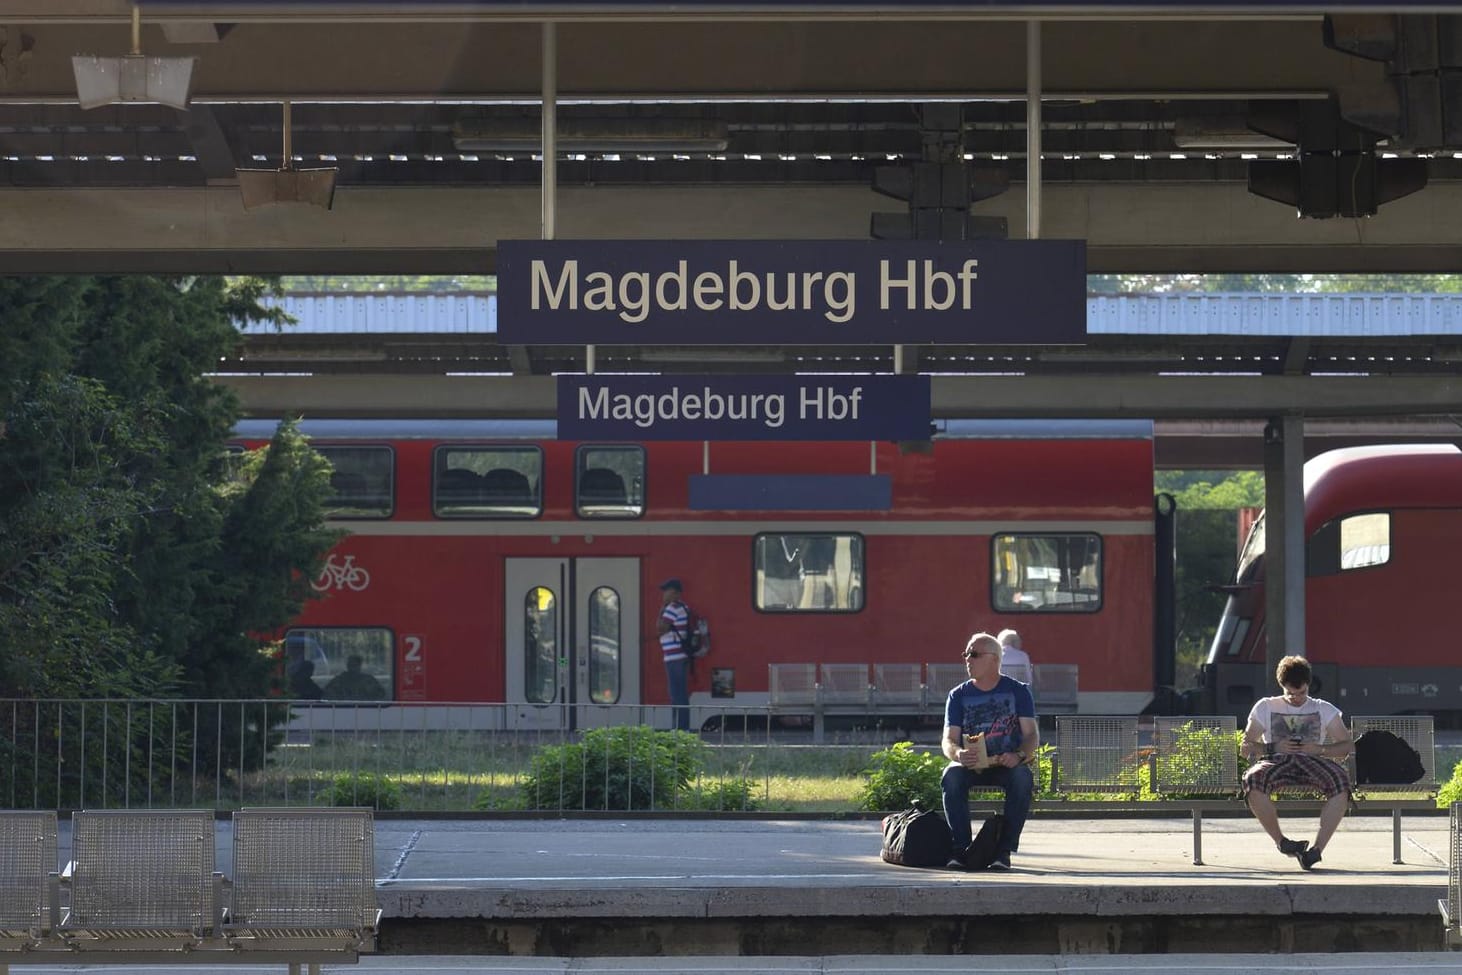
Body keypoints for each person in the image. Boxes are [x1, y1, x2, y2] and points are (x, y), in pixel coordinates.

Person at [1240, 654, 1353, 870]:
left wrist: (1319, 749)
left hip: (1312, 760)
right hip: (1276, 760)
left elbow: (1347, 746)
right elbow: (1246, 747)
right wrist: (1273, 747)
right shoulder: (1265, 706)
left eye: (1302, 693)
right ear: (1282, 686)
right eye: (1291, 694)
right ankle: (1282, 843)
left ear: (1309, 686)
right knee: (1253, 779)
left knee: (1341, 780)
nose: (1297, 698)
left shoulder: (1323, 708)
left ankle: (1316, 851)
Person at [941, 631, 1039, 870]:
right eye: (966, 654)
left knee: (1022, 777)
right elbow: (949, 740)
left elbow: (1031, 735)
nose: (967, 659)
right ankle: (961, 849)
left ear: (994, 659)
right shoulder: (958, 695)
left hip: (1006, 764)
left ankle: (1003, 852)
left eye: (974, 654)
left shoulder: (1018, 691)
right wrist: (958, 754)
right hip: (971, 763)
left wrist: (1018, 756)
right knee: (951, 776)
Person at [656, 578, 693, 732]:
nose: (664, 594)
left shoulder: (672, 607)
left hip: (674, 657)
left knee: (676, 695)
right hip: (680, 656)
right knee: (680, 693)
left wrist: (662, 608)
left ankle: (680, 729)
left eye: (667, 591)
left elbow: (660, 628)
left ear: (676, 593)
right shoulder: (684, 607)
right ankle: (681, 728)